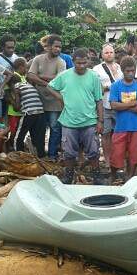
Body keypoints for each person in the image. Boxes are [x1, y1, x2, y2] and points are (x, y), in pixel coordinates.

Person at [47, 48, 104, 184]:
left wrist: (100, 120)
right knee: (68, 152)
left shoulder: (94, 76)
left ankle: (97, 176)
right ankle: (68, 176)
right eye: (78, 63)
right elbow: (50, 86)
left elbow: (99, 100)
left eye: (84, 63)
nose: (81, 66)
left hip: (89, 120)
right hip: (69, 121)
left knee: (94, 151)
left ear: (88, 61)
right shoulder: (64, 75)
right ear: (73, 62)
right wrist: (60, 97)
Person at [27, 34, 67, 159]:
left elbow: (59, 80)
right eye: (56, 46)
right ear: (48, 47)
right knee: (39, 129)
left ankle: (52, 155)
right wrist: (48, 83)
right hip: (38, 100)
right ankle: (39, 154)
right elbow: (30, 76)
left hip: (55, 102)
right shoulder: (38, 59)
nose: (58, 49)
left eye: (60, 47)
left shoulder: (61, 62)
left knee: (55, 129)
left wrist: (40, 77)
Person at [108, 56, 137, 181]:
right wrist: (132, 104)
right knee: (116, 153)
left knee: (135, 154)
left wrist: (123, 106)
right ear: (123, 71)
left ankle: (129, 177)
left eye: (132, 71)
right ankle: (113, 176)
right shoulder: (115, 86)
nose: (130, 73)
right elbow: (113, 105)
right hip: (120, 127)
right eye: (127, 71)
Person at [93, 43, 123, 169]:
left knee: (118, 134)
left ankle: (117, 159)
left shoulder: (119, 67)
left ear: (114, 53)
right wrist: (108, 87)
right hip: (104, 105)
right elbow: (95, 88)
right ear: (102, 55)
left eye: (111, 52)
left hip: (119, 105)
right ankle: (107, 160)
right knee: (105, 134)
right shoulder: (97, 69)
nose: (109, 54)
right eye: (106, 52)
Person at [11, 63, 46, 157]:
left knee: (19, 136)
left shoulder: (17, 86)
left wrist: (14, 102)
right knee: (38, 136)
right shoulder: (31, 87)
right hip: (40, 113)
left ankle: (18, 155)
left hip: (29, 113)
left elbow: (17, 106)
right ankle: (41, 156)